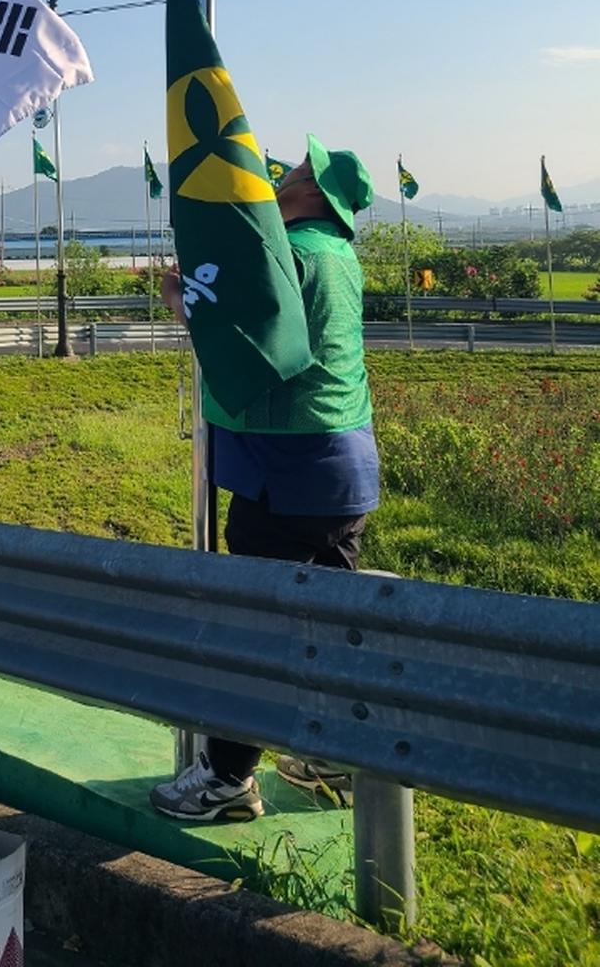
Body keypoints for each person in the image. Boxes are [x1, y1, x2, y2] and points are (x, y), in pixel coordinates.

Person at [151, 135, 378, 823]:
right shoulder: (339, 256)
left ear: (313, 194)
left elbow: (249, 343)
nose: (284, 174)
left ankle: (227, 779)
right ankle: (331, 757)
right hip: (344, 469)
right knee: (330, 624)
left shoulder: (297, 253)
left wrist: (180, 299)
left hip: (285, 467)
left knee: (254, 629)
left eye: (298, 171)